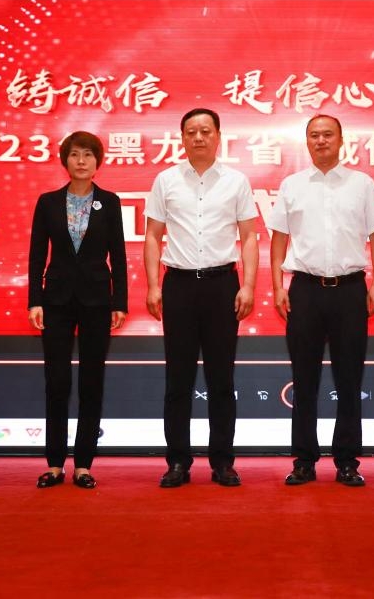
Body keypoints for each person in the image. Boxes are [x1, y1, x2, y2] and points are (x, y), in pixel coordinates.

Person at [268, 114, 374, 487]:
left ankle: (347, 461)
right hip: (304, 290)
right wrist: (277, 287)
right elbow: (278, 239)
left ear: (341, 140)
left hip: (350, 290)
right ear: (306, 141)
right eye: (314, 135)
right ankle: (304, 461)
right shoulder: (292, 185)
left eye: (328, 135)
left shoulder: (362, 184)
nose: (321, 140)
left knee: (349, 379)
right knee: (304, 380)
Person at [143, 108, 258, 488]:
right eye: (191, 131)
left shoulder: (236, 181)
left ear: (218, 136)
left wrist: (248, 286)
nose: (198, 137)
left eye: (205, 131)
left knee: (221, 379)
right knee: (178, 379)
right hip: (178, 285)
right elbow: (153, 236)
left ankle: (223, 462)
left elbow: (249, 237)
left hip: (222, 285)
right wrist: (153, 285)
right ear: (182, 138)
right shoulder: (166, 180)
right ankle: (177, 461)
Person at [27, 131, 128, 489]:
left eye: (88, 154)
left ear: (98, 161)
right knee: (56, 381)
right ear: (65, 161)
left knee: (91, 381)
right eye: (74, 154)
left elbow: (119, 255)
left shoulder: (110, 202)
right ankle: (55, 464)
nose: (81, 161)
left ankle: (84, 464)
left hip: (97, 301)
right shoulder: (48, 202)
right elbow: (37, 255)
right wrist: (35, 300)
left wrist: (120, 302)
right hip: (55, 302)